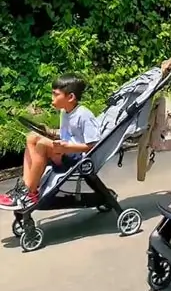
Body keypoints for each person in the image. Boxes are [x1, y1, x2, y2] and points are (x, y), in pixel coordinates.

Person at [0, 76, 100, 211]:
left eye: (56, 94)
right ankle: (26, 187)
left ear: (70, 97)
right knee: (31, 137)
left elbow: (93, 145)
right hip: (64, 152)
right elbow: (69, 134)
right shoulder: (65, 112)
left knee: (42, 144)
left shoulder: (84, 115)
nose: (52, 98)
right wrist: (50, 132)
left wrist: (67, 147)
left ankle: (29, 193)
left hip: (77, 158)